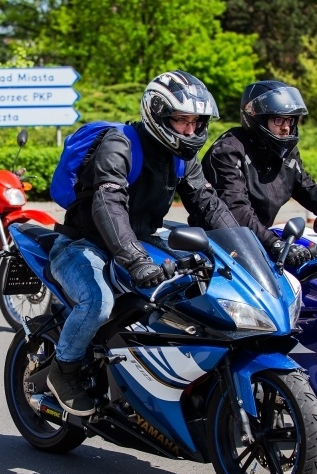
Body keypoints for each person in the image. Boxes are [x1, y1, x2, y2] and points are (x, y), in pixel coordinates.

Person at [47, 70, 238, 416]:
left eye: (196, 122)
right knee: (98, 302)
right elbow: (109, 203)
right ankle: (64, 370)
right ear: (158, 114)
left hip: (141, 244)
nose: (191, 130)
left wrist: (245, 248)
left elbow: (208, 204)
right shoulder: (120, 144)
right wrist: (135, 258)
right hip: (83, 244)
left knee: (205, 279)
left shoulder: (182, 156)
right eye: (182, 120)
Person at [202, 80, 317, 267]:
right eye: (278, 120)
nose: (286, 127)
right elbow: (237, 208)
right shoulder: (228, 151)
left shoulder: (285, 154)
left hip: (258, 243)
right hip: (219, 249)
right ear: (258, 119)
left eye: (290, 120)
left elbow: (312, 192)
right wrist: (274, 243)